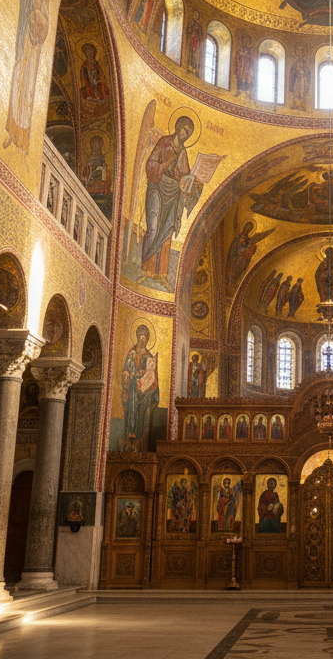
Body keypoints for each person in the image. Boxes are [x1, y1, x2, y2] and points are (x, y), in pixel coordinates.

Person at [3, 0, 51, 152]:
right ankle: (12, 126)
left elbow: (48, 2)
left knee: (31, 78)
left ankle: (22, 134)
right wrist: (32, 4)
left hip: (38, 30)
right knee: (20, 67)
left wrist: (43, 18)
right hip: (26, 20)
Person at [140, 115, 203, 291]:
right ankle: (146, 267)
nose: (186, 135)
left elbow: (184, 175)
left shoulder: (183, 152)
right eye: (185, 130)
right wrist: (165, 164)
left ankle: (161, 273)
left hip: (173, 192)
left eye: (189, 133)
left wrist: (192, 181)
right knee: (153, 225)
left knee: (167, 230)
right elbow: (150, 165)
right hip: (157, 187)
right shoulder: (164, 143)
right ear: (178, 127)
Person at [120, 325, 159, 452]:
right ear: (137, 337)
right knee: (132, 409)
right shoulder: (131, 353)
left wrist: (147, 374)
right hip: (132, 387)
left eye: (145, 338)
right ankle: (130, 435)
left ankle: (139, 438)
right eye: (140, 337)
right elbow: (126, 369)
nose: (142, 340)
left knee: (143, 411)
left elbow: (152, 374)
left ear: (147, 339)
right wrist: (129, 375)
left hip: (145, 390)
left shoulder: (149, 355)